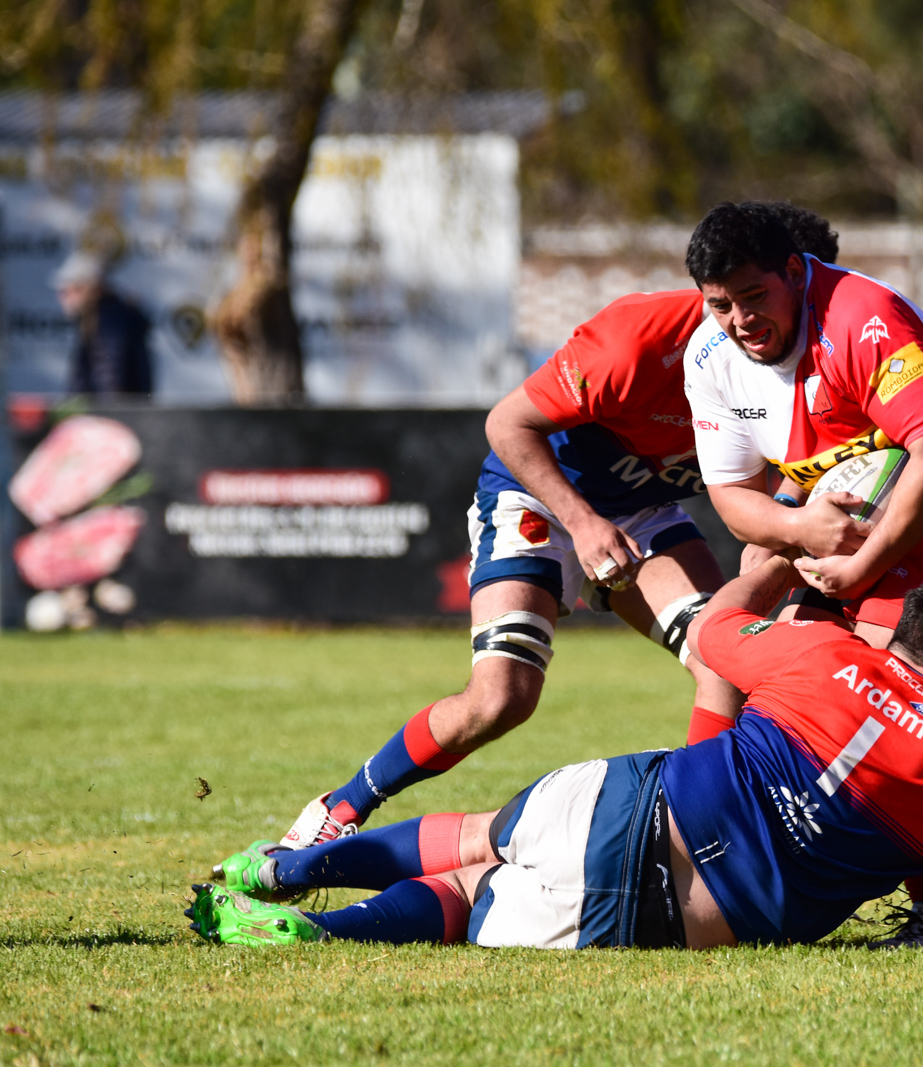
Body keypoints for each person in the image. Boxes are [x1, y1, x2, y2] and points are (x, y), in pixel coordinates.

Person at [270, 211, 844, 852]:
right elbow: (507, 424)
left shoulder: (812, 361)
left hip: (644, 511)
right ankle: (339, 809)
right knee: (502, 698)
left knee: (727, 659)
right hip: (542, 498)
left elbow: (769, 499)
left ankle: (698, 840)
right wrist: (583, 521)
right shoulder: (637, 341)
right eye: (733, 303)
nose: (749, 322)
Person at [189, 565, 923, 953]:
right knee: (470, 893)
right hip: (682, 916)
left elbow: (708, 637)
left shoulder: (820, 649)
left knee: (483, 834)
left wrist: (765, 572)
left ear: (895, 634)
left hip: (624, 797)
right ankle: (316, 932)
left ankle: (291, 868)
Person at [680, 200, 923, 943]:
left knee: (881, 679)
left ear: (794, 271)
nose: (740, 320)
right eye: (720, 305)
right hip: (867, 529)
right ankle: (695, 815)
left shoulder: (862, 317)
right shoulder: (708, 357)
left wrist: (861, 565)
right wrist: (795, 531)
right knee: (758, 656)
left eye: (754, 298)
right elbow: (730, 496)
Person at [54, 251, 153, 398]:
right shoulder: (99, 317)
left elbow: (111, 383)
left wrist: (106, 415)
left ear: (89, 288)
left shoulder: (108, 322)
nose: (62, 299)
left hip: (110, 417)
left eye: (68, 291)